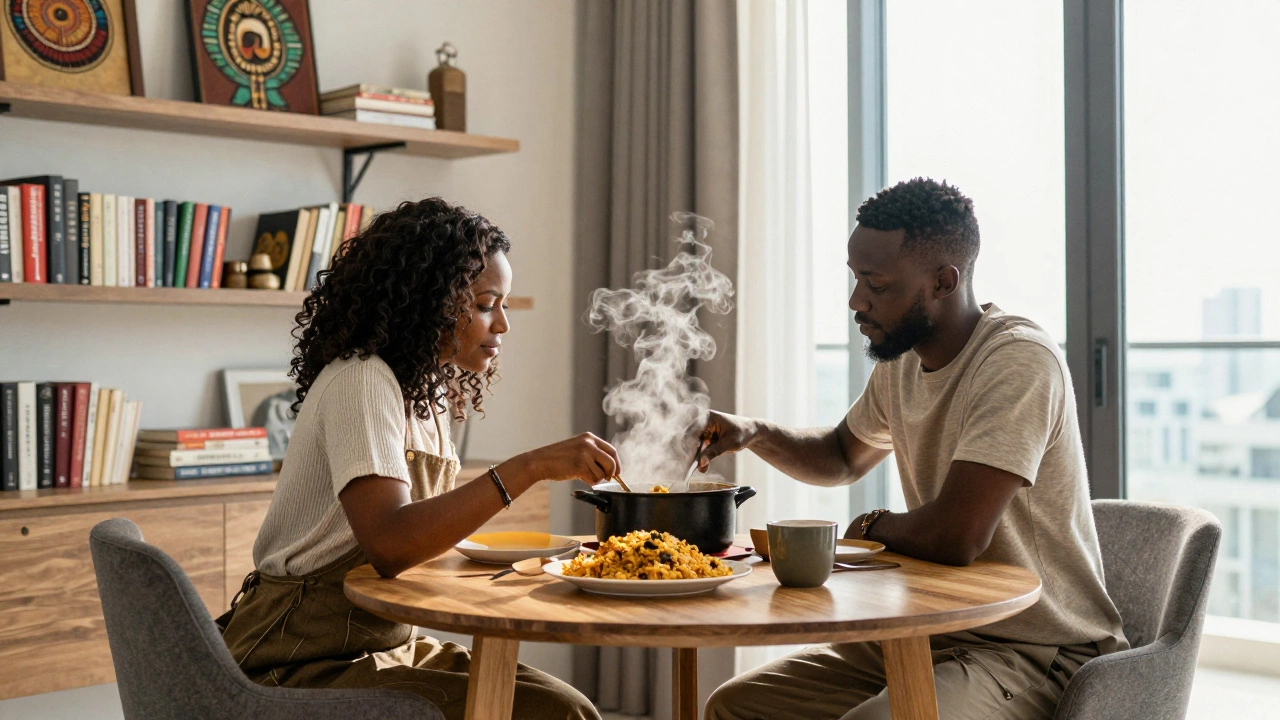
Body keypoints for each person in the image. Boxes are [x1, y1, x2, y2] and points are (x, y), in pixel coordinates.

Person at [699, 178, 1127, 720]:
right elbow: (839, 454)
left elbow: (957, 536)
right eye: (855, 278)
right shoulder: (902, 361)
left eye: (875, 283)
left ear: (944, 282)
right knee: (737, 707)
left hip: (1035, 646)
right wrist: (753, 431)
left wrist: (870, 527)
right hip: (934, 629)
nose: (856, 301)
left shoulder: (1016, 362)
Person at [218, 197, 616, 720]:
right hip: (297, 656)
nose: (502, 325)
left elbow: (417, 539)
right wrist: (530, 467)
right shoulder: (362, 381)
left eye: (504, 304)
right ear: (428, 300)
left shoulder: (421, 392)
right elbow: (390, 543)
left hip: (380, 642)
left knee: (568, 706)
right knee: (553, 714)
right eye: (483, 303)